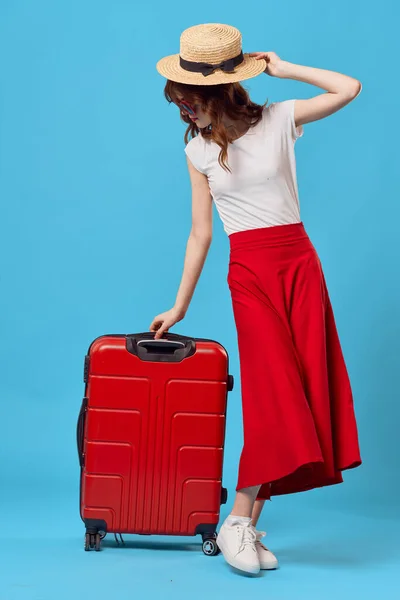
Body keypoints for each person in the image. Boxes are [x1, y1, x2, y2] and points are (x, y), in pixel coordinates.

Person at [152, 23, 362, 575]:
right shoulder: (197, 152)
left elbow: (348, 88)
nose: (184, 111)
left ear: (218, 93)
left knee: (304, 390)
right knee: (274, 394)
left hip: (298, 263)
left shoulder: (277, 120)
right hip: (249, 271)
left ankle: (242, 521)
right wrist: (180, 306)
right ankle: (238, 520)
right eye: (178, 100)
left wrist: (284, 67)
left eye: (191, 100)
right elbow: (201, 232)